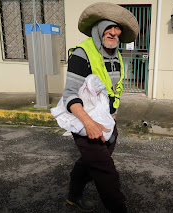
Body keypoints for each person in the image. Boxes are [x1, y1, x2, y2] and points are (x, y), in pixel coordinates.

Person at [62, 2, 138, 213]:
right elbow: (69, 96)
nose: (114, 32)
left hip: (106, 120)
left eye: (118, 28)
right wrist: (89, 123)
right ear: (97, 28)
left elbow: (115, 89)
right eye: (109, 26)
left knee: (90, 162)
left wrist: (113, 115)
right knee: (106, 171)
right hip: (85, 121)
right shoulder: (82, 54)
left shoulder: (116, 55)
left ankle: (73, 196)